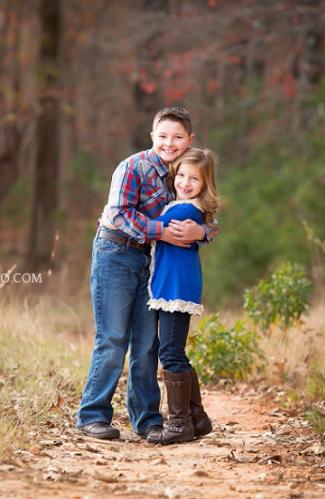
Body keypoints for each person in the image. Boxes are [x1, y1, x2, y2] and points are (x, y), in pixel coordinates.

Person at [76, 107, 213, 441]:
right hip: (116, 253)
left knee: (147, 343)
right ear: (152, 136)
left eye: (178, 137)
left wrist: (203, 233)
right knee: (112, 338)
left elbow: (204, 210)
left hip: (150, 263)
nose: (170, 143)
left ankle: (147, 419)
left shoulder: (185, 172)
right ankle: (93, 415)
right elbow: (118, 214)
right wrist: (161, 232)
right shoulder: (133, 167)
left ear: (189, 140)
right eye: (163, 136)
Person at [146, 147, 219, 445]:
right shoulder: (185, 207)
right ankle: (196, 417)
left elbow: (154, 229)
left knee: (171, 353)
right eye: (182, 176)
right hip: (174, 286)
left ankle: (179, 424)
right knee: (176, 351)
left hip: (175, 288)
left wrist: (115, 222)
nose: (185, 183)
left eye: (195, 179)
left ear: (205, 185)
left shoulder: (185, 211)